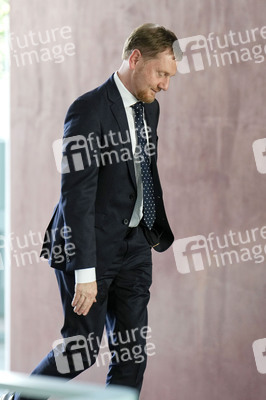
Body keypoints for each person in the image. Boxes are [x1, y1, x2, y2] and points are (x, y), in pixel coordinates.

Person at [3, 22, 183, 400]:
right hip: (89, 245)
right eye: (161, 73)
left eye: (170, 76)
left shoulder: (150, 109)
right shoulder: (87, 110)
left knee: (132, 355)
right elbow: (76, 196)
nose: (165, 84)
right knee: (81, 350)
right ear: (136, 59)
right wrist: (86, 272)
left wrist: (146, 230)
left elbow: (142, 172)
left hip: (135, 244)